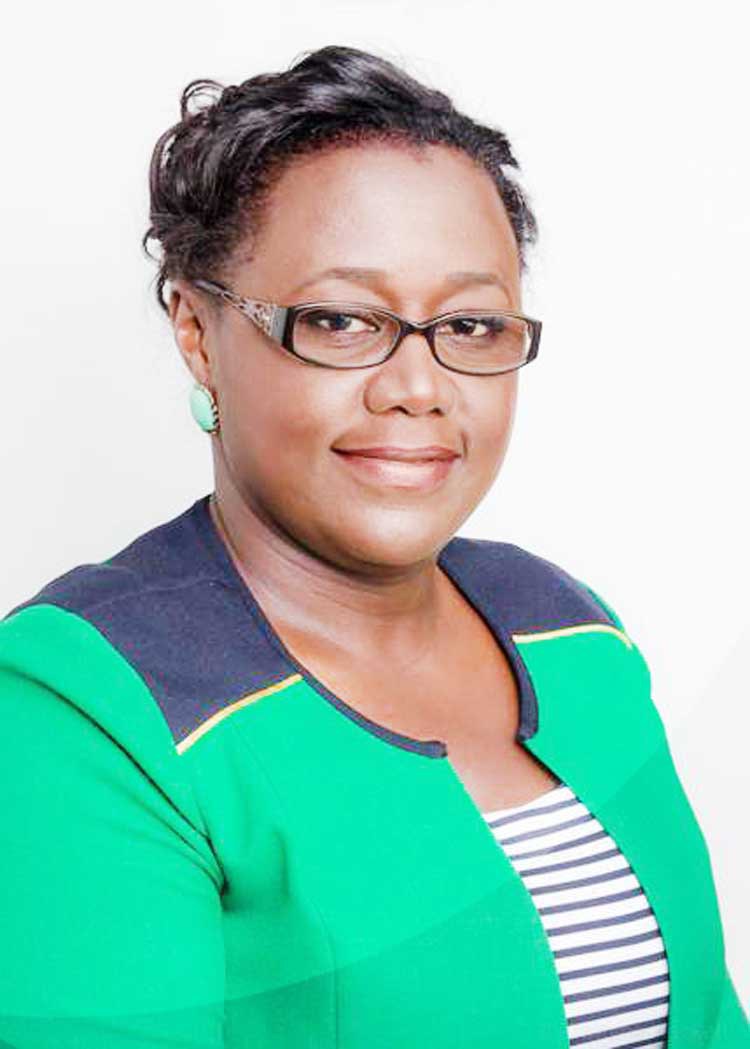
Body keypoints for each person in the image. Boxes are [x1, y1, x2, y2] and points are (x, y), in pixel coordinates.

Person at [0, 43, 746, 1049]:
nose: (418, 387)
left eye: (471, 325)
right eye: (342, 320)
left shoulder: (573, 632)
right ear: (197, 331)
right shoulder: (86, 703)